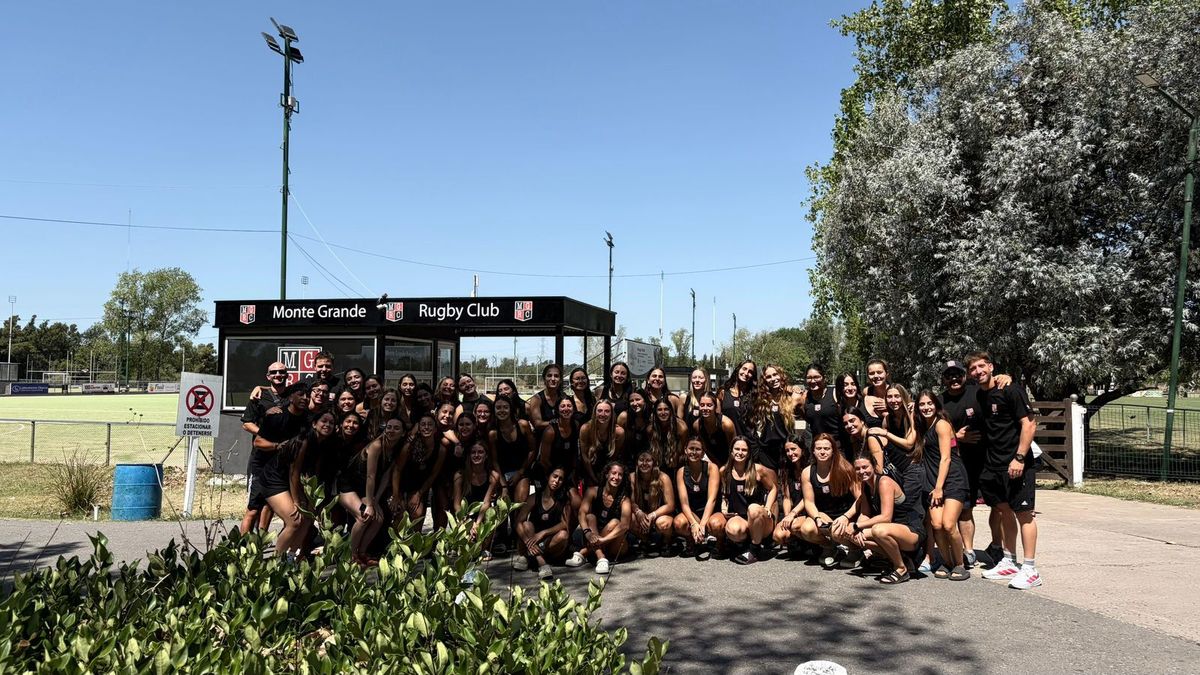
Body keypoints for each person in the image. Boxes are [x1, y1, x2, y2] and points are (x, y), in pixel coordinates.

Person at [969, 352, 1041, 589]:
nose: (978, 371)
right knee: (1003, 511)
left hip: (1016, 463)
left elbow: (1029, 424)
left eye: (981, 366)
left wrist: (1019, 457)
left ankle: (1030, 568)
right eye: (973, 368)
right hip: (994, 465)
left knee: (1024, 514)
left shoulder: (1011, 390)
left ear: (991, 366)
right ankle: (1009, 560)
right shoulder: (981, 395)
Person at [940, 359, 998, 568]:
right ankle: (969, 550)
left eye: (958, 374)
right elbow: (935, 432)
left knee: (999, 506)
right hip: (959, 464)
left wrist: (1004, 378)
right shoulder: (940, 402)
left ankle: (998, 546)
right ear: (944, 379)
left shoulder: (977, 393)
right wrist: (957, 437)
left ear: (965, 376)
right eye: (949, 375)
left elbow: (997, 393)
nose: (954, 379)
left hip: (987, 459)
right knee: (965, 508)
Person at [914, 390, 971, 580]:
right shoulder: (923, 426)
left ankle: (960, 563)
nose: (926, 408)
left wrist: (939, 488)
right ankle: (946, 562)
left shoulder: (942, 425)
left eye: (929, 403)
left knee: (948, 525)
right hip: (933, 480)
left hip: (952, 480)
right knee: (936, 524)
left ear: (936, 405)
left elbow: (946, 458)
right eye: (922, 404)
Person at [250, 381, 311, 556]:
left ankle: (291, 557)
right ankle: (275, 562)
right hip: (273, 476)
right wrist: (278, 446)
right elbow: (258, 442)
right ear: (290, 397)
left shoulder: (307, 420)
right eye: (300, 394)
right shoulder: (276, 416)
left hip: (294, 475)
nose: (304, 398)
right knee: (294, 520)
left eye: (307, 395)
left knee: (306, 518)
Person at [848, 452, 925, 584]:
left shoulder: (884, 482)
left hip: (910, 530)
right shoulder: (865, 485)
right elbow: (865, 514)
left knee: (879, 530)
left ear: (873, 466)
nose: (862, 471)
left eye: (865, 467)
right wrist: (856, 529)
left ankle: (901, 569)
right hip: (892, 531)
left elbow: (886, 517)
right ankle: (902, 559)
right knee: (851, 534)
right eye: (858, 468)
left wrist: (858, 525)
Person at [338, 416, 404, 566]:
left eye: (396, 428)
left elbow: (386, 477)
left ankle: (362, 552)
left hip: (366, 490)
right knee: (364, 516)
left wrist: (375, 500)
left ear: (402, 432)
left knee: (379, 518)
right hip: (348, 485)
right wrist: (369, 503)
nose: (391, 431)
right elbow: (371, 476)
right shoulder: (377, 445)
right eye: (389, 427)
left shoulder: (396, 449)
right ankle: (352, 555)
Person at [240, 360, 288, 533]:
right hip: (261, 459)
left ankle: (261, 541)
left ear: (287, 375)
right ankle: (242, 548)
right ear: (268, 376)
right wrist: (265, 434)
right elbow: (246, 423)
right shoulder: (258, 397)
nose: (278, 375)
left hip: (282, 461)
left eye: (281, 372)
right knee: (253, 507)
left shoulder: (292, 396)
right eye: (274, 372)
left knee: (270, 504)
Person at [799, 433, 860, 569]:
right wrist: (816, 518)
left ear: (833, 450)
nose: (822, 452)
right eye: (819, 448)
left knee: (836, 531)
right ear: (813, 451)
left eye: (826, 448)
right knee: (806, 529)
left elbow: (861, 498)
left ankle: (855, 550)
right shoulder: (807, 472)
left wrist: (846, 517)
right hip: (824, 514)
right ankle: (830, 547)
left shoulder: (846, 469)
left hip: (846, 515)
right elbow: (809, 502)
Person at [566, 461, 631, 575]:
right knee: (590, 517)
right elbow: (581, 513)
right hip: (592, 534)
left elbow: (625, 525)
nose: (616, 477)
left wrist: (603, 540)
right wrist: (588, 533)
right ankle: (601, 557)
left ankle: (584, 552)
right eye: (613, 473)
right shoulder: (593, 491)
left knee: (615, 522)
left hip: (613, 541)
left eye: (620, 474)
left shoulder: (624, 499)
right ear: (607, 474)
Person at [720, 436, 777, 564]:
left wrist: (767, 507)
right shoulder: (724, 471)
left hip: (760, 519)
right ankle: (743, 546)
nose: (740, 453)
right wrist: (724, 508)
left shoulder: (758, 470)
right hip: (740, 517)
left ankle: (754, 550)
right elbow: (724, 494)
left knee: (753, 508)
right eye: (737, 449)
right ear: (731, 451)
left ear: (749, 453)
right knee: (733, 530)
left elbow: (773, 489)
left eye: (744, 450)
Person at [513, 466, 572, 580]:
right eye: (554, 476)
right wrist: (528, 542)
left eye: (560, 479)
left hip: (548, 543)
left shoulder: (564, 500)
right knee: (527, 525)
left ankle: (529, 556)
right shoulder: (534, 497)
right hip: (531, 538)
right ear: (548, 477)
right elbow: (518, 522)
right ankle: (541, 562)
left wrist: (544, 533)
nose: (556, 481)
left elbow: (565, 524)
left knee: (564, 535)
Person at [390, 413, 446, 526]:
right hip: (400, 485)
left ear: (435, 429)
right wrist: (395, 496)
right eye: (423, 425)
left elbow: (433, 475)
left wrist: (419, 494)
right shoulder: (409, 447)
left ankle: (414, 543)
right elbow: (397, 470)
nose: (426, 427)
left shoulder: (441, 450)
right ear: (418, 429)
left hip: (417, 488)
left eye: (430, 425)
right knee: (398, 514)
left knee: (417, 514)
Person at [674, 437, 724, 557]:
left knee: (717, 524)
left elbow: (712, 499)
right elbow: (684, 503)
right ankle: (691, 542)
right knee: (679, 523)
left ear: (703, 452)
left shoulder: (712, 468)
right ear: (685, 450)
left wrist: (702, 524)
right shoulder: (681, 471)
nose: (694, 452)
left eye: (698, 449)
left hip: (711, 511)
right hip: (692, 512)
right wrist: (693, 524)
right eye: (691, 448)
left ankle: (720, 544)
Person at [748, 364, 803, 471]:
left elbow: (804, 419)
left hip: (786, 449)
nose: (773, 379)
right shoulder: (761, 399)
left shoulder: (792, 397)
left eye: (775, 374)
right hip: (766, 450)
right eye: (769, 377)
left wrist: (793, 388)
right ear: (765, 380)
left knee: (785, 482)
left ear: (781, 375)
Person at [453, 441, 502, 559]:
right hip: (465, 515)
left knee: (492, 514)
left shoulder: (493, 476)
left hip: (482, 514)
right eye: (473, 452)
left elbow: (486, 503)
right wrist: (467, 523)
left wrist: (477, 524)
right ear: (469, 456)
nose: (476, 455)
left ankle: (483, 548)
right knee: (467, 551)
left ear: (486, 456)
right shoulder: (460, 475)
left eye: (480, 452)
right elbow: (457, 504)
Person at [489, 396, 535, 505]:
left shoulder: (523, 425)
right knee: (502, 509)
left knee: (519, 503)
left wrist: (521, 471)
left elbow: (533, 449)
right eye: (498, 408)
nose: (502, 410)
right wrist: (503, 485)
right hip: (503, 475)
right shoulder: (493, 434)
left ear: (511, 409)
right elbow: (494, 461)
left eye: (505, 407)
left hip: (521, 471)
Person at [629, 450, 677, 554]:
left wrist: (652, 515)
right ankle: (646, 541)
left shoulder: (663, 478)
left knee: (663, 523)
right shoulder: (632, 477)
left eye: (648, 460)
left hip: (659, 514)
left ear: (654, 463)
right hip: (642, 513)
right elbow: (631, 502)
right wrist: (638, 512)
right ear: (637, 462)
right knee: (630, 518)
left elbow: (670, 505)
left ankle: (666, 542)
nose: (644, 463)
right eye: (641, 460)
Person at [772, 436, 810, 555]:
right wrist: (787, 516)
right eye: (787, 450)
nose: (790, 453)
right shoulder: (786, 469)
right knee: (778, 535)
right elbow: (787, 498)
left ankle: (811, 545)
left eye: (793, 449)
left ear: (802, 449)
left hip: (809, 511)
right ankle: (799, 544)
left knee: (794, 526)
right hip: (795, 514)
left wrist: (792, 515)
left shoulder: (810, 468)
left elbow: (807, 498)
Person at [579, 399, 624, 487]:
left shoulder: (619, 432)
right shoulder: (586, 429)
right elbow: (584, 457)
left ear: (612, 414)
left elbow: (614, 457)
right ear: (595, 413)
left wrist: (606, 475)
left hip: (608, 467)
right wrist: (593, 477)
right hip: (590, 468)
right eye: (599, 411)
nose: (603, 414)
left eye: (607, 411)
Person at [538, 396, 581, 487]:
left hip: (568, 472)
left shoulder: (576, 425)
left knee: (575, 500)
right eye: (563, 406)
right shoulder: (550, 431)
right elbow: (544, 460)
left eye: (569, 406)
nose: (566, 409)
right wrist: (557, 476)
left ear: (573, 409)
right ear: (557, 410)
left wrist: (573, 472)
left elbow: (574, 451)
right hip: (550, 471)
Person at [801, 364, 844, 444]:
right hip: (818, 447)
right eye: (809, 378)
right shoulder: (805, 397)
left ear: (824, 378)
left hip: (838, 445)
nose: (813, 381)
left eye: (816, 377)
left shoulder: (835, 393)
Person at [693, 392, 735, 466]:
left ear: (715, 407)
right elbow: (704, 448)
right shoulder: (697, 425)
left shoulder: (726, 424)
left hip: (729, 463)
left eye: (709, 405)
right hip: (712, 463)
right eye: (702, 405)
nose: (705, 408)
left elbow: (733, 449)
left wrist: (726, 467)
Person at [648, 398, 688, 476]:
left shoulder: (681, 428)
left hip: (675, 462)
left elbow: (682, 452)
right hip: (658, 460)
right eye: (659, 410)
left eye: (666, 409)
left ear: (671, 411)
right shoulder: (650, 429)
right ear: (655, 412)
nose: (663, 412)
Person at [718, 360, 757, 435]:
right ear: (738, 369)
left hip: (748, 443)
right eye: (744, 369)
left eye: (750, 372)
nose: (746, 373)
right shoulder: (723, 392)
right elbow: (717, 420)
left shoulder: (755, 395)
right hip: (728, 442)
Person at [616, 389, 652, 470]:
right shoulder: (624, 417)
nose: (635, 403)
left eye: (638, 399)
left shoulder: (651, 417)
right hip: (627, 457)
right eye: (631, 401)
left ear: (645, 401)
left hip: (646, 457)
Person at [526, 364, 564, 436]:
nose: (552, 379)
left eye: (556, 376)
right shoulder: (537, 399)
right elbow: (538, 424)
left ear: (561, 380)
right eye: (549, 375)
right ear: (544, 379)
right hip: (542, 439)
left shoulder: (564, 397)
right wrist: (559, 422)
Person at [862, 358, 891, 428]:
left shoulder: (895, 390)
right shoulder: (866, 392)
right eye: (871, 373)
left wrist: (889, 405)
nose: (876, 376)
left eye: (879, 372)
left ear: (886, 373)